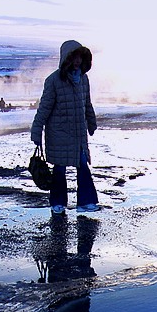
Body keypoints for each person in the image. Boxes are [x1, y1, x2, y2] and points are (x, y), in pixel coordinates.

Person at [31, 39, 100, 215]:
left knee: (83, 166)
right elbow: (44, 108)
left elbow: (87, 104)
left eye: (80, 57)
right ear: (66, 58)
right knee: (59, 170)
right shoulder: (53, 81)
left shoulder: (83, 79)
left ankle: (86, 202)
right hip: (59, 133)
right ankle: (58, 203)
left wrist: (91, 123)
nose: (77, 61)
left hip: (78, 134)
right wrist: (36, 131)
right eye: (74, 57)